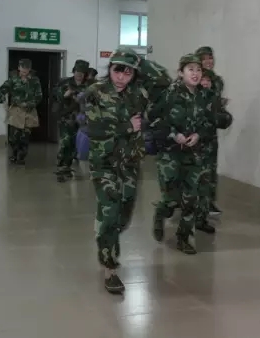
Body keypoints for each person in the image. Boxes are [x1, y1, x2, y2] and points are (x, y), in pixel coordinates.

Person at [84, 49, 149, 294]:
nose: (121, 77)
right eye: (117, 70)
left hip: (130, 163)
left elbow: (162, 83)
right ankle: (109, 268)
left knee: (123, 216)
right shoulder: (95, 92)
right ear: (109, 68)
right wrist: (127, 127)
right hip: (104, 163)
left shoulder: (138, 94)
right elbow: (94, 128)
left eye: (128, 72)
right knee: (111, 213)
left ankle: (104, 227)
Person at [152, 54, 212, 255]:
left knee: (190, 198)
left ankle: (183, 238)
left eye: (198, 69)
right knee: (171, 199)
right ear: (180, 73)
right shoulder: (169, 94)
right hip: (170, 154)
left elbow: (208, 122)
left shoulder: (203, 96)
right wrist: (173, 134)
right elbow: (153, 119)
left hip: (193, 153)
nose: (195, 73)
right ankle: (160, 214)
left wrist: (198, 134)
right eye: (190, 69)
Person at [195, 46, 228, 216]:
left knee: (211, 167)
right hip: (193, 129)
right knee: (193, 168)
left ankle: (208, 202)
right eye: (204, 58)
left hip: (210, 131)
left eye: (211, 58)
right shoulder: (193, 78)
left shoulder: (217, 80)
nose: (209, 61)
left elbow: (214, 101)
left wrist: (219, 104)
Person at [0, 58, 43, 165]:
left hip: (29, 111)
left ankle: (21, 157)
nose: (24, 71)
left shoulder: (34, 80)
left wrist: (30, 104)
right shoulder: (13, 79)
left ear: (29, 69)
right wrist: (2, 101)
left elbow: (39, 96)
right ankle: (14, 154)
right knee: (13, 137)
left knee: (25, 137)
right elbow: (2, 89)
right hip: (16, 111)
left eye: (27, 69)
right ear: (19, 68)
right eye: (22, 68)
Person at [52, 59, 90, 182]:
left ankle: (68, 167)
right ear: (74, 71)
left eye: (82, 73)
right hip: (66, 118)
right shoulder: (65, 83)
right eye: (77, 72)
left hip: (82, 120)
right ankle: (61, 167)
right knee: (65, 142)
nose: (79, 75)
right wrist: (65, 95)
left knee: (75, 144)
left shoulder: (89, 86)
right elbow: (55, 96)